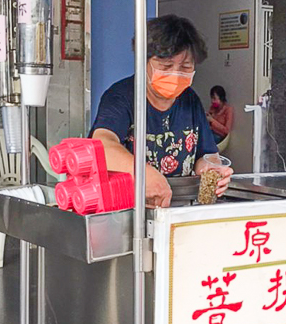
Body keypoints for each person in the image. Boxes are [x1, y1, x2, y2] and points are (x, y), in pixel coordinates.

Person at [90, 14, 233, 208]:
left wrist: (212, 169)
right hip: (131, 211)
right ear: (145, 62)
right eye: (166, 66)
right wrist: (142, 173)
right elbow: (102, 144)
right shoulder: (121, 97)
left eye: (185, 66)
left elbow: (206, 155)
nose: (175, 74)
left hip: (179, 209)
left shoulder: (190, 100)